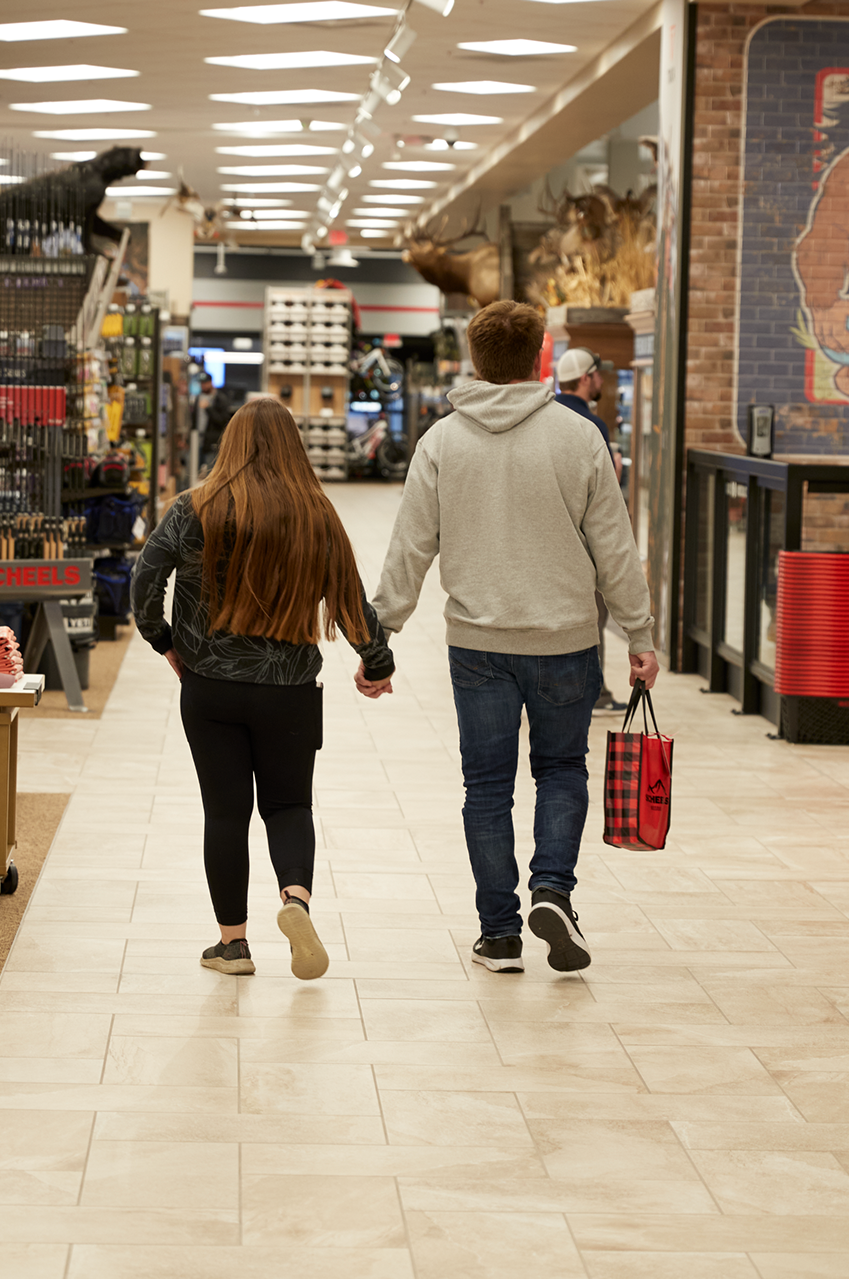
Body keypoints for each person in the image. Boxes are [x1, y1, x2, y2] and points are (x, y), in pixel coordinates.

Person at [372, 301, 658, 975]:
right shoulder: (579, 436)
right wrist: (638, 632)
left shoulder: (441, 442)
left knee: (486, 786)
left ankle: (499, 935)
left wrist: (379, 633)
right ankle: (552, 890)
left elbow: (410, 547)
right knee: (560, 769)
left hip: (477, 644)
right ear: (537, 359)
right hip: (565, 641)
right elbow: (614, 547)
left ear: (475, 359)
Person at [133, 398, 396, 981]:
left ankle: (233, 946)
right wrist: (376, 662)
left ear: (229, 444)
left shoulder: (194, 507)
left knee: (226, 813)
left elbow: (144, 580)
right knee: (289, 804)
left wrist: (164, 641)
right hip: (290, 689)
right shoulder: (316, 514)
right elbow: (350, 599)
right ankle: (295, 900)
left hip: (210, 686)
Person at [554, 346, 626, 711]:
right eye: (597, 375)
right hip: (584, 547)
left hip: (549, 544)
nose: (600, 381)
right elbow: (603, 499)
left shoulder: (545, 416)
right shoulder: (592, 426)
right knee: (591, 619)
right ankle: (593, 693)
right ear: (586, 378)